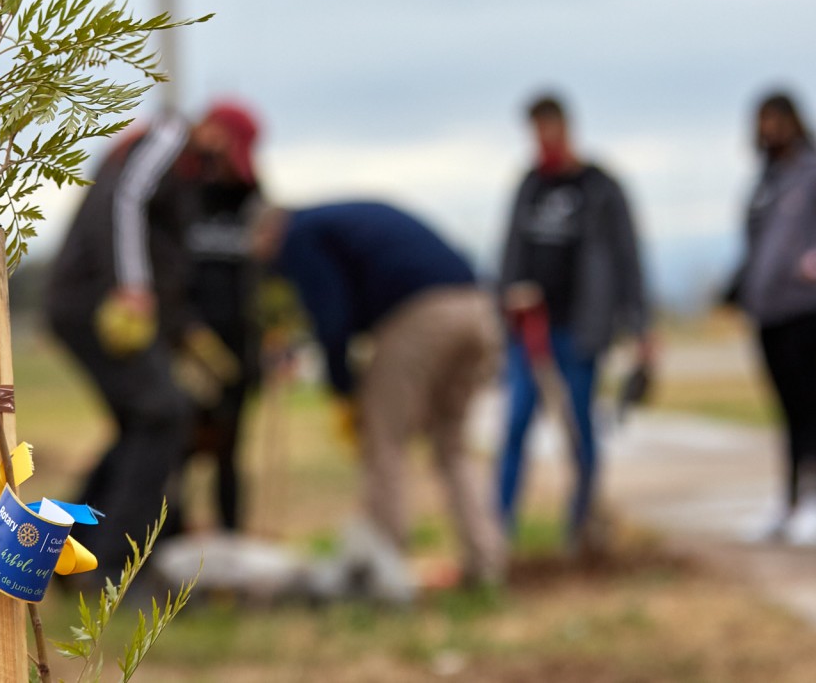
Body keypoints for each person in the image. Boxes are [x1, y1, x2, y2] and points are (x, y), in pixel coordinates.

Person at [45, 102, 260, 582]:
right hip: (97, 304)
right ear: (216, 134)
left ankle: (64, 555)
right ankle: (114, 568)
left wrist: (186, 329)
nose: (224, 173)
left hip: (112, 305)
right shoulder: (167, 138)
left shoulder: (188, 178)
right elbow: (125, 202)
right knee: (164, 413)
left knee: (143, 423)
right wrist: (132, 285)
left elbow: (168, 257)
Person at [253, 201, 506, 596]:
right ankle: (486, 561)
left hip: (422, 314)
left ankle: (384, 574)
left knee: (383, 439)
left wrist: (343, 392)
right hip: (478, 310)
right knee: (452, 445)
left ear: (266, 232)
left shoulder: (299, 236)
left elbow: (332, 318)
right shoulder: (335, 220)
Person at [495, 92, 652, 555]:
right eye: (534, 132)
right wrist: (505, 301)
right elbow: (508, 252)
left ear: (565, 127)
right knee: (516, 424)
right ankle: (497, 529)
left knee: (580, 429)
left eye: (548, 129)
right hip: (529, 333)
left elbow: (628, 257)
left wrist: (640, 326)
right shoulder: (528, 186)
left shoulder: (599, 187)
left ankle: (580, 526)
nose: (542, 140)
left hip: (581, 330)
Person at [728, 91, 816, 545]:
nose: (769, 129)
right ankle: (790, 500)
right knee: (785, 410)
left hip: (805, 306)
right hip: (767, 307)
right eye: (762, 121)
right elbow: (755, 242)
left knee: (809, 405)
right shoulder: (765, 178)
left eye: (776, 120)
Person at [175, 144, 264, 534]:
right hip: (188, 347)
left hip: (238, 350)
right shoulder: (183, 199)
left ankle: (231, 540)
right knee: (178, 450)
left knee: (229, 452)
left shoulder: (253, 203)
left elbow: (265, 275)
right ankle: (167, 540)